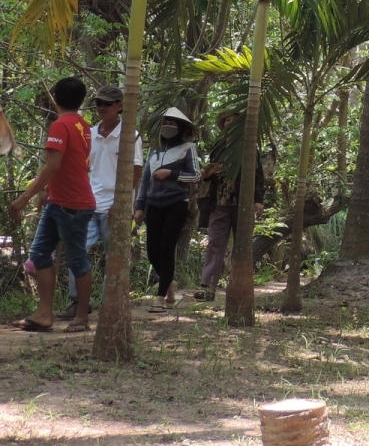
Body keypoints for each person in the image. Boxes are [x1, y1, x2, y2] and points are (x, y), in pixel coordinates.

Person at [11, 78, 95, 332]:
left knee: (76, 259)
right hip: (60, 201)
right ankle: (44, 314)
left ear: (55, 96)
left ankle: (81, 317)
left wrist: (23, 198)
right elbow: (73, 163)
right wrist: (48, 191)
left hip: (73, 204)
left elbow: (53, 165)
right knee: (39, 254)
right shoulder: (83, 125)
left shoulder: (61, 125)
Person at [58, 86, 141, 321]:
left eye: (108, 103)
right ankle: (78, 302)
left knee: (113, 255)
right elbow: (81, 167)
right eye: (99, 103)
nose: (102, 107)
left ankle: (111, 303)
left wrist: (122, 201)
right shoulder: (89, 134)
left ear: (120, 106)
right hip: (88, 203)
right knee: (78, 250)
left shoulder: (130, 135)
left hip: (116, 205)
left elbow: (136, 169)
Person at [134, 107, 202, 312]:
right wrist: (139, 206)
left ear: (181, 127)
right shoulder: (154, 150)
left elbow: (196, 176)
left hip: (176, 203)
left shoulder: (188, 147)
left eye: (173, 123)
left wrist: (171, 173)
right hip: (153, 204)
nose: (168, 127)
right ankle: (169, 283)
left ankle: (160, 298)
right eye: (165, 123)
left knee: (166, 249)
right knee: (152, 250)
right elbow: (145, 179)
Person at [194, 122, 265, 303]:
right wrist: (207, 174)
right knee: (215, 243)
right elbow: (210, 176)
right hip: (219, 204)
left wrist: (258, 200)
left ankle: (240, 286)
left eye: (234, 120)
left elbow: (258, 175)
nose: (229, 123)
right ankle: (208, 287)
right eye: (226, 121)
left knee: (242, 246)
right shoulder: (218, 147)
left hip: (243, 204)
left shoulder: (249, 146)